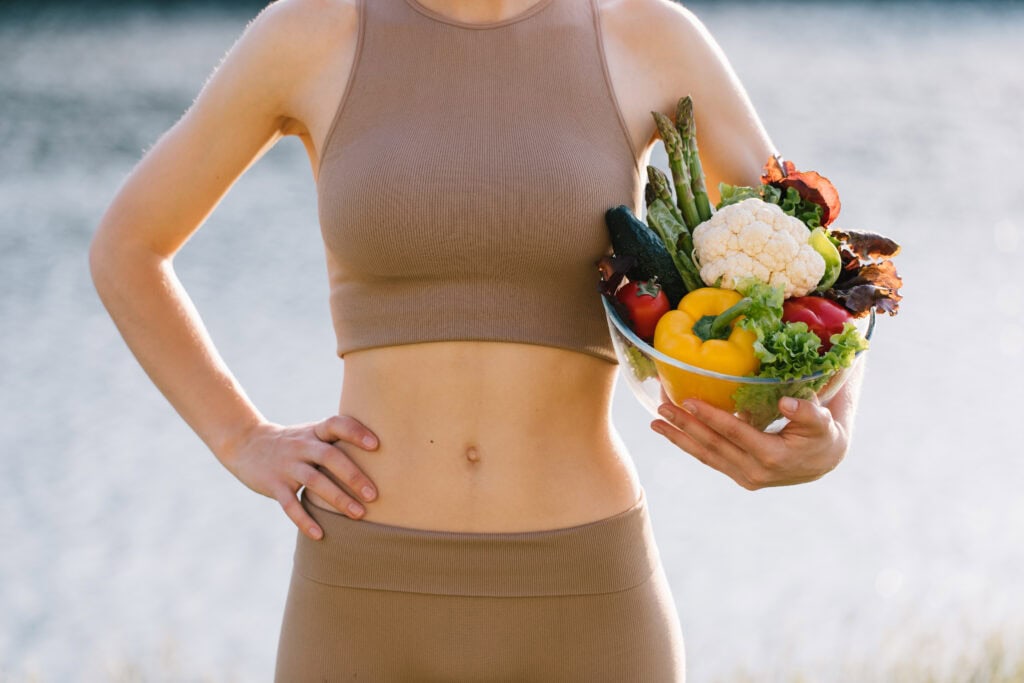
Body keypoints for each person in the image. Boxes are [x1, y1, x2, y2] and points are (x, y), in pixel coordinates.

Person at [89, 0, 865, 679]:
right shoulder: (312, 31)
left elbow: (819, 268)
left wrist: (831, 431)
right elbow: (129, 249)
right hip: (362, 593)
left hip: (588, 595)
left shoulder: (645, 35)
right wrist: (242, 438)